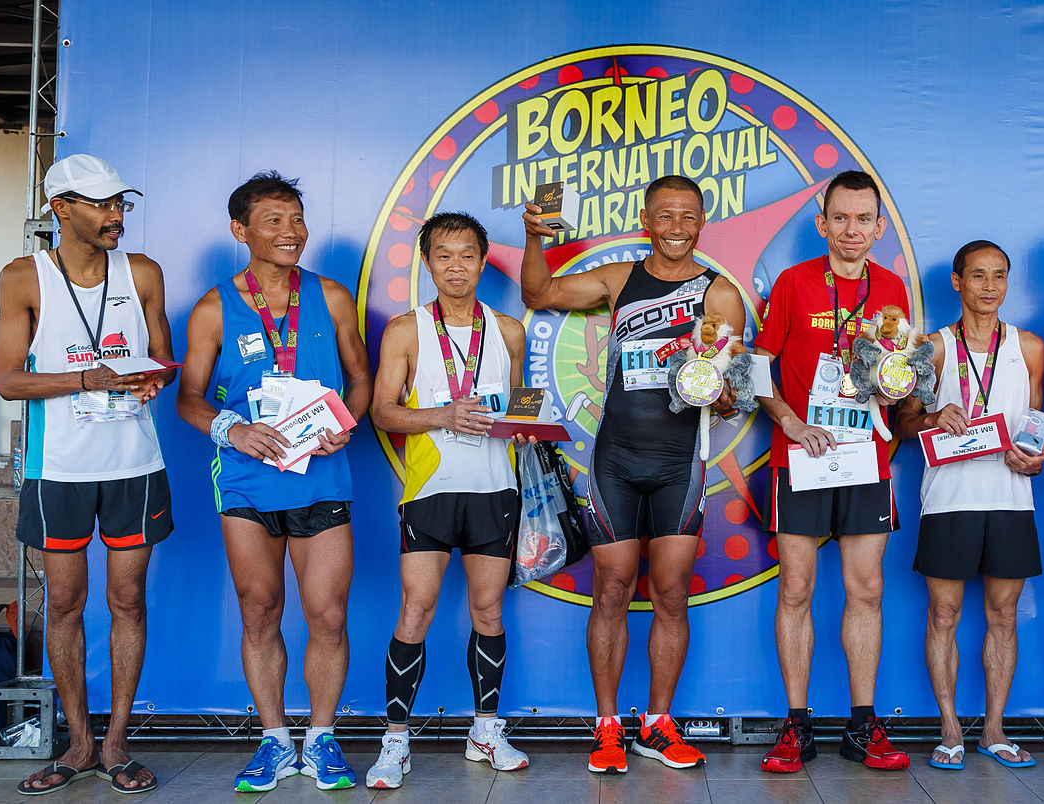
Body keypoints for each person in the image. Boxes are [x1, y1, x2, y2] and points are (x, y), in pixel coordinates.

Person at [520, 175, 745, 773]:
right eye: (664, 216)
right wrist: (534, 237)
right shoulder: (620, 280)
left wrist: (720, 393)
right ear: (647, 219)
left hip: (679, 464)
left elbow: (734, 390)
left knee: (671, 594)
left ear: (703, 221)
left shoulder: (720, 294)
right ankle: (608, 726)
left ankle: (659, 724)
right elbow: (539, 293)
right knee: (613, 589)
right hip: (615, 459)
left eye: (687, 216)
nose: (676, 227)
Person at [176, 172, 372, 792]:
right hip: (246, 484)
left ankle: (322, 738)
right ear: (241, 231)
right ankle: (273, 740)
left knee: (328, 615)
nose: (291, 233)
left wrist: (350, 422)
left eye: (297, 220)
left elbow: (361, 379)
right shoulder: (213, 308)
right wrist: (230, 431)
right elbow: (188, 398)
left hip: (322, 477)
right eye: (274, 221)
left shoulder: (332, 297)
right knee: (259, 613)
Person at [0, 154, 174, 796]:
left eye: (119, 204)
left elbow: (163, 357)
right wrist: (85, 377)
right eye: (100, 205)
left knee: (127, 600)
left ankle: (118, 743)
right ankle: (77, 744)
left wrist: (153, 378)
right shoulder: (24, 277)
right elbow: (10, 379)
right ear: (60, 209)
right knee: (66, 603)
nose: (114, 216)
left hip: (134, 464)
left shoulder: (144, 272)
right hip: (58, 470)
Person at [364, 212, 532, 788]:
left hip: (495, 490)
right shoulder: (406, 330)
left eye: (467, 255)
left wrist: (528, 425)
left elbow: (517, 408)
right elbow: (381, 410)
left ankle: (485, 730)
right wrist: (442, 414)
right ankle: (395, 742)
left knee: (488, 611)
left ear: (484, 262)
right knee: (417, 610)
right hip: (430, 492)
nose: (456, 265)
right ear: (427, 262)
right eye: (443, 255)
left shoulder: (508, 331)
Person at [755, 169, 910, 773]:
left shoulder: (892, 287)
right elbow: (757, 368)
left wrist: (900, 382)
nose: (851, 230)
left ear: (878, 227)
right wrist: (790, 422)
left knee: (865, 589)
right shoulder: (793, 284)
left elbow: (900, 377)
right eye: (839, 218)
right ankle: (797, 727)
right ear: (822, 224)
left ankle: (862, 725)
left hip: (866, 457)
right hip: (803, 454)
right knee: (796, 589)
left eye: (863, 219)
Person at [893, 240, 1044, 770]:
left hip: (1010, 500)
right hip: (948, 500)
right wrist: (933, 419)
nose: (989, 286)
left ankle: (996, 732)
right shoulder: (931, 349)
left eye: (999, 276)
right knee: (944, 613)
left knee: (1004, 614)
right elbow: (903, 423)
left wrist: (1036, 459)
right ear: (956, 282)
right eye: (978, 275)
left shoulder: (1028, 347)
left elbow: (1035, 428)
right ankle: (951, 729)